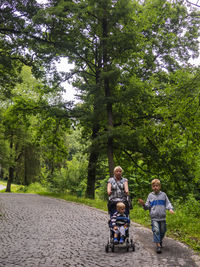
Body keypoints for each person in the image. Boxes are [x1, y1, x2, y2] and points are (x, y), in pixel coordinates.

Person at [138, 179, 174, 254]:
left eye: (157, 186)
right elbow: (147, 207)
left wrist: (170, 208)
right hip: (154, 217)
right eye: (154, 186)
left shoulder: (163, 195)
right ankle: (158, 246)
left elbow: (168, 203)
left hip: (162, 217)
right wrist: (143, 204)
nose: (155, 187)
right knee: (156, 230)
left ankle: (159, 240)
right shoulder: (150, 195)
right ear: (152, 187)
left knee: (163, 230)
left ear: (159, 186)